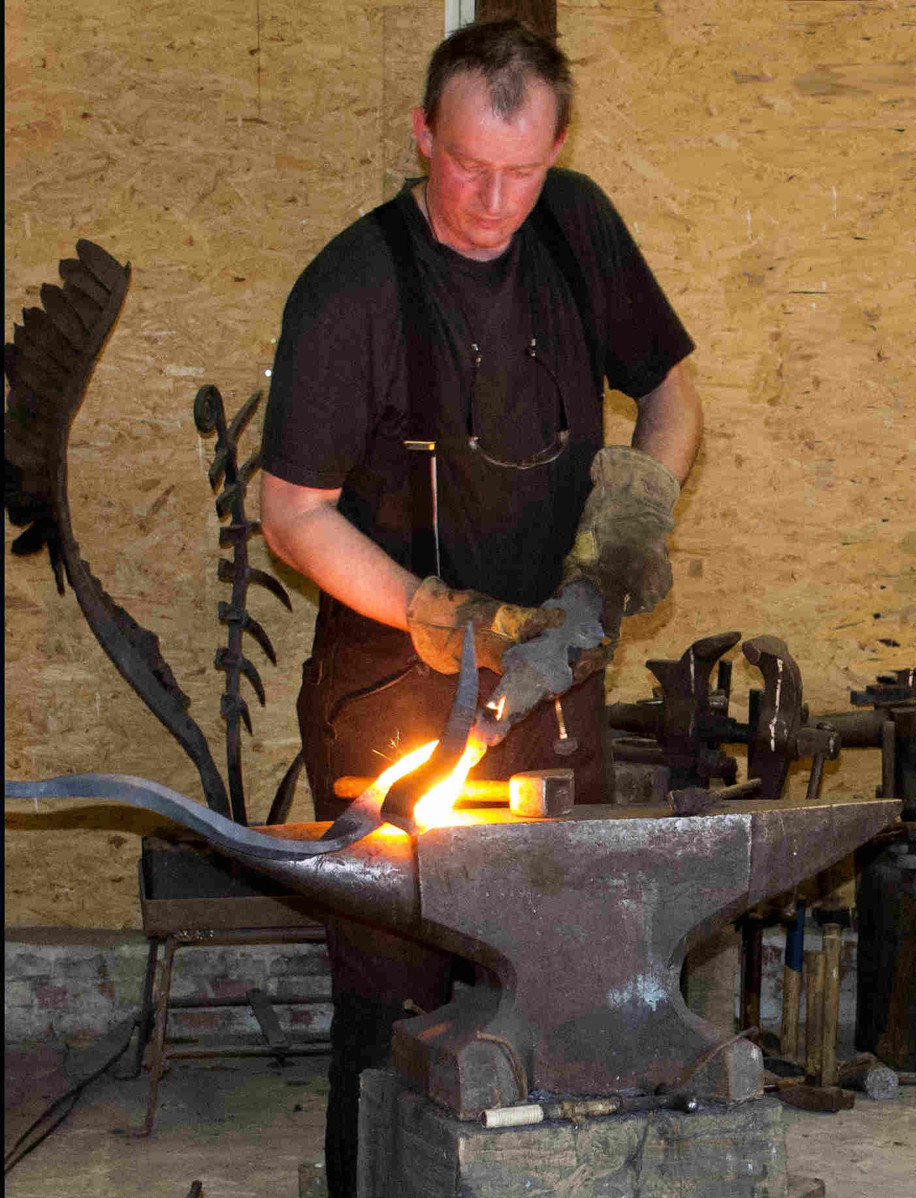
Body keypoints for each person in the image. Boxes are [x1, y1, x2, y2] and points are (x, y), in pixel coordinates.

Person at [258, 20, 701, 1194]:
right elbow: (291, 511)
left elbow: (670, 395)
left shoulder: (579, 225)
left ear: (556, 152)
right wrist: (425, 608)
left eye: (521, 171)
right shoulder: (351, 289)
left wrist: (636, 521)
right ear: (421, 134)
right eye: (466, 165)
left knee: (559, 988)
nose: (493, 201)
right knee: (395, 1008)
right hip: (393, 693)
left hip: (557, 672)